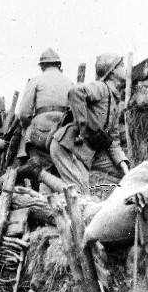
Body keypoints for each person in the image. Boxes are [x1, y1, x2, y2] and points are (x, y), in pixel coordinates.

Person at [41, 53, 129, 195]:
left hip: (82, 153)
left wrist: (124, 166)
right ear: (112, 71)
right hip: (67, 147)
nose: (126, 69)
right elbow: (76, 91)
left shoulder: (115, 101)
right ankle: (39, 174)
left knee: (82, 192)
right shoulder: (101, 88)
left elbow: (113, 140)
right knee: (81, 195)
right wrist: (82, 127)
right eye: (122, 66)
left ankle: (45, 185)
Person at [15, 48, 73, 182]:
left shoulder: (35, 81)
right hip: (62, 133)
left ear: (42, 66)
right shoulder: (69, 82)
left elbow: (24, 114)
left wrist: (26, 128)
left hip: (41, 133)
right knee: (61, 171)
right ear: (59, 65)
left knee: (40, 168)